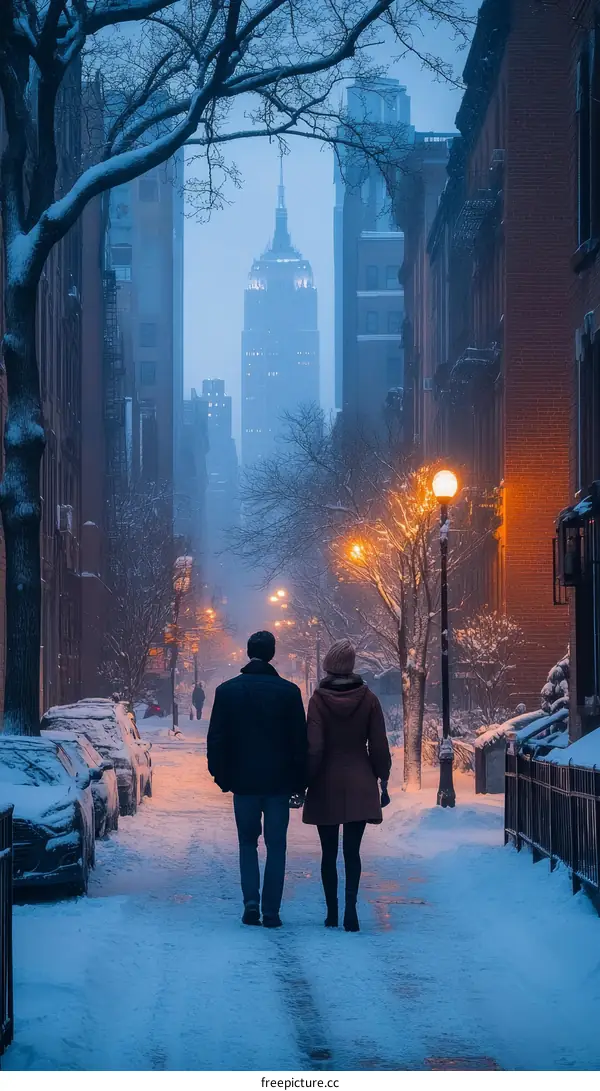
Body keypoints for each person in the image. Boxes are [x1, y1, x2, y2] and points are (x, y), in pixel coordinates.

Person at [207, 630, 307, 928]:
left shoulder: (227, 691)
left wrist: (222, 776)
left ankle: (250, 902)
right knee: (277, 846)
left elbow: (217, 739)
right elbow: (300, 743)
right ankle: (271, 910)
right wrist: (299, 784)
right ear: (272, 654)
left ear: (248, 652)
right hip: (278, 784)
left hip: (244, 784)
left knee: (247, 843)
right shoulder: (289, 693)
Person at [303, 639, 391, 933]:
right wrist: (383, 777)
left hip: (326, 780)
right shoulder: (369, 699)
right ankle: (351, 910)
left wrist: (306, 779)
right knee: (352, 852)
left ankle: (331, 912)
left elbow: (314, 747)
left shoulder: (317, 700)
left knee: (328, 853)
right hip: (360, 779)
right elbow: (378, 744)